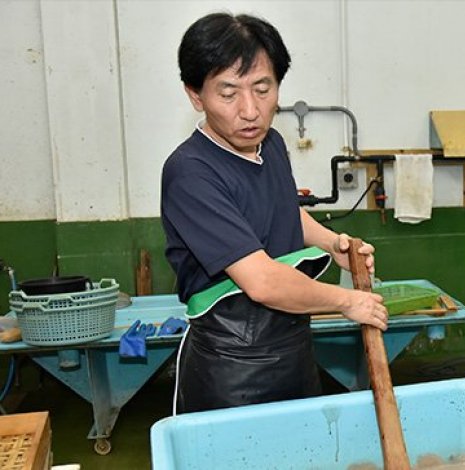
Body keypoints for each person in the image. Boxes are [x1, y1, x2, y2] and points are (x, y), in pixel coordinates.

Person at [161, 12, 388, 414]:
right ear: (195, 95)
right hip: (232, 369)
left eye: (263, 89)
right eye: (228, 94)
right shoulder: (191, 172)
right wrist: (346, 301)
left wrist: (332, 243)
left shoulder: (273, 145)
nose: (250, 110)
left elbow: (282, 212)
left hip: (293, 347)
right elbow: (263, 282)